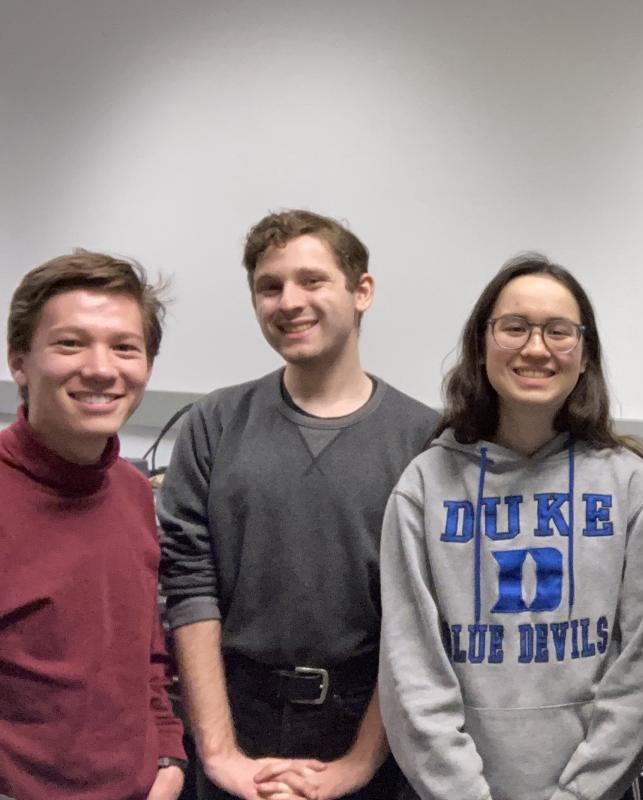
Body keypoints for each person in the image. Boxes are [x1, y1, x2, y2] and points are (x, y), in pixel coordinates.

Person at [157, 210, 437, 799]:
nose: (289, 301)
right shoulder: (214, 424)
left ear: (362, 292)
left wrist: (360, 763)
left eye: (312, 280)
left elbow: (423, 612)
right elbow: (189, 583)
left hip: (376, 725)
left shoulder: (427, 441)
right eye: (269, 286)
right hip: (235, 716)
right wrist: (220, 754)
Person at [377, 253, 643, 800]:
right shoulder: (424, 487)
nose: (536, 348)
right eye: (514, 328)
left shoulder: (634, 488)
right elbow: (411, 675)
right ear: (481, 345)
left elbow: (642, 676)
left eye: (559, 331)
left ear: (584, 355)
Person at [0, 251, 186, 799]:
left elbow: (146, 655)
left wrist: (168, 755)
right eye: (70, 343)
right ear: (19, 361)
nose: (102, 368)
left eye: (125, 347)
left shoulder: (132, 492)